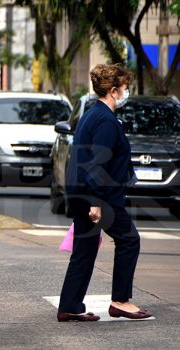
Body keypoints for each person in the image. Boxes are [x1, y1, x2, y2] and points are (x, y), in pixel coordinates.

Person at [57, 63, 152, 322]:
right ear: (113, 91)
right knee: (129, 240)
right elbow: (96, 164)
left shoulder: (93, 113)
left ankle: (70, 305)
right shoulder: (105, 121)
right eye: (124, 88)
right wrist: (97, 202)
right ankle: (120, 301)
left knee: (85, 250)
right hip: (98, 196)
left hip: (83, 193)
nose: (126, 92)